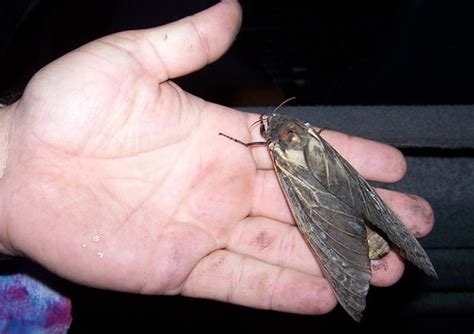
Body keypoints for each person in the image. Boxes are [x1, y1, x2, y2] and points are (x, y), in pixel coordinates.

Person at [0, 0, 434, 324]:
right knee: (337, 208)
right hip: (324, 175)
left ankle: (367, 250)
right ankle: (369, 249)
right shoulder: (294, 142)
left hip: (318, 186)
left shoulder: (272, 149)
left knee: (325, 216)